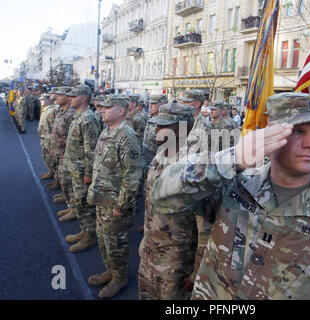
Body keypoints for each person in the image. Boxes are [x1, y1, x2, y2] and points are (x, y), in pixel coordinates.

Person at [151, 92, 310, 300]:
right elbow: (163, 194)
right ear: (270, 133)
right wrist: (233, 158)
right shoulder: (236, 184)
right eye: (298, 131)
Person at [138, 103, 207, 300]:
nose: (156, 129)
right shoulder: (160, 155)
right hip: (149, 252)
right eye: (156, 124)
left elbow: (205, 226)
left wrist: (196, 272)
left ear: (182, 129)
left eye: (163, 125)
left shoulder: (194, 167)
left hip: (176, 263)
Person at [87, 96, 142, 299]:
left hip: (116, 204)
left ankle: (120, 277)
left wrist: (122, 204)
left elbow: (133, 175)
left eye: (107, 108)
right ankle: (110, 271)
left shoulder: (128, 136)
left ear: (120, 111)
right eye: (101, 108)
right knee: (104, 241)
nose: (101, 110)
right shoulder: (107, 132)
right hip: (102, 199)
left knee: (117, 244)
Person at [63, 85, 101, 253]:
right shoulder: (80, 116)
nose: (70, 98)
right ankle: (85, 230)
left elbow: (91, 149)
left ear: (84, 98)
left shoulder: (88, 119)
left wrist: (88, 173)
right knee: (79, 202)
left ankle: (90, 235)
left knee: (85, 204)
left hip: (81, 170)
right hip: (74, 167)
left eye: (74, 96)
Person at [50, 87, 77, 221]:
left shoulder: (71, 113)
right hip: (59, 152)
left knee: (69, 181)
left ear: (67, 97)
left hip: (67, 154)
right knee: (64, 179)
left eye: (60, 95)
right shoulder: (61, 111)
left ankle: (73, 207)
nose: (57, 97)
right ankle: (69, 203)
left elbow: (72, 137)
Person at [141, 94, 168, 178]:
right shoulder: (151, 118)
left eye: (154, 104)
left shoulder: (166, 122)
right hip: (146, 160)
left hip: (158, 163)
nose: (150, 106)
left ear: (162, 105)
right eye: (150, 104)